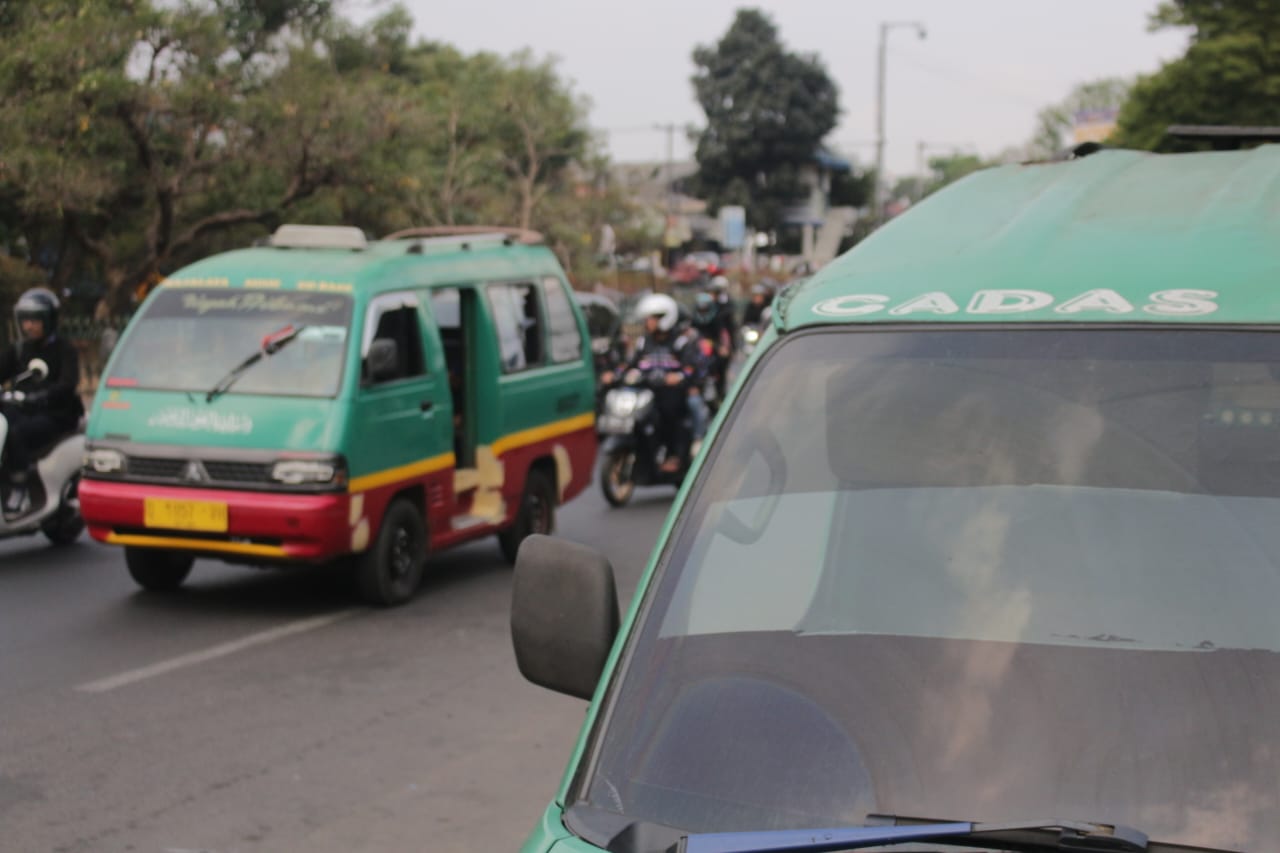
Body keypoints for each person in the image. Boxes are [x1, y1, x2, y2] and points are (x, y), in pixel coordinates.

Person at [0, 288, 84, 514]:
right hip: (21, 408)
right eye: (25, 320)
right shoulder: (18, 349)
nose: (29, 326)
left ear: (49, 320)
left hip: (55, 413)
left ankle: (19, 486)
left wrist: (39, 397)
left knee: (18, 433)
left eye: (35, 320)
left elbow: (68, 384)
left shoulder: (64, 350)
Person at [604, 293, 706, 473]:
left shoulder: (681, 342)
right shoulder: (644, 342)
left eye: (650, 319)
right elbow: (630, 365)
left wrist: (677, 377)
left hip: (673, 394)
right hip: (648, 392)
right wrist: (615, 374)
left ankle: (676, 456)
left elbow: (691, 368)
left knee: (673, 416)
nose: (646, 323)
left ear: (664, 319)